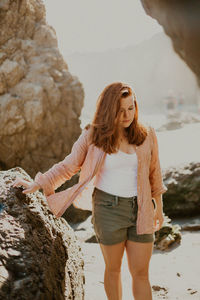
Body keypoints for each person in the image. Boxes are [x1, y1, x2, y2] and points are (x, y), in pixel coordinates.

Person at [13, 82, 167, 300]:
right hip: (107, 209)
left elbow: (155, 173)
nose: (126, 115)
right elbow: (68, 166)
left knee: (141, 273)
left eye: (130, 108)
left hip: (141, 209)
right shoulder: (93, 135)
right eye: (119, 110)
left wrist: (158, 208)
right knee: (113, 270)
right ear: (108, 109)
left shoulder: (147, 134)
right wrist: (39, 182)